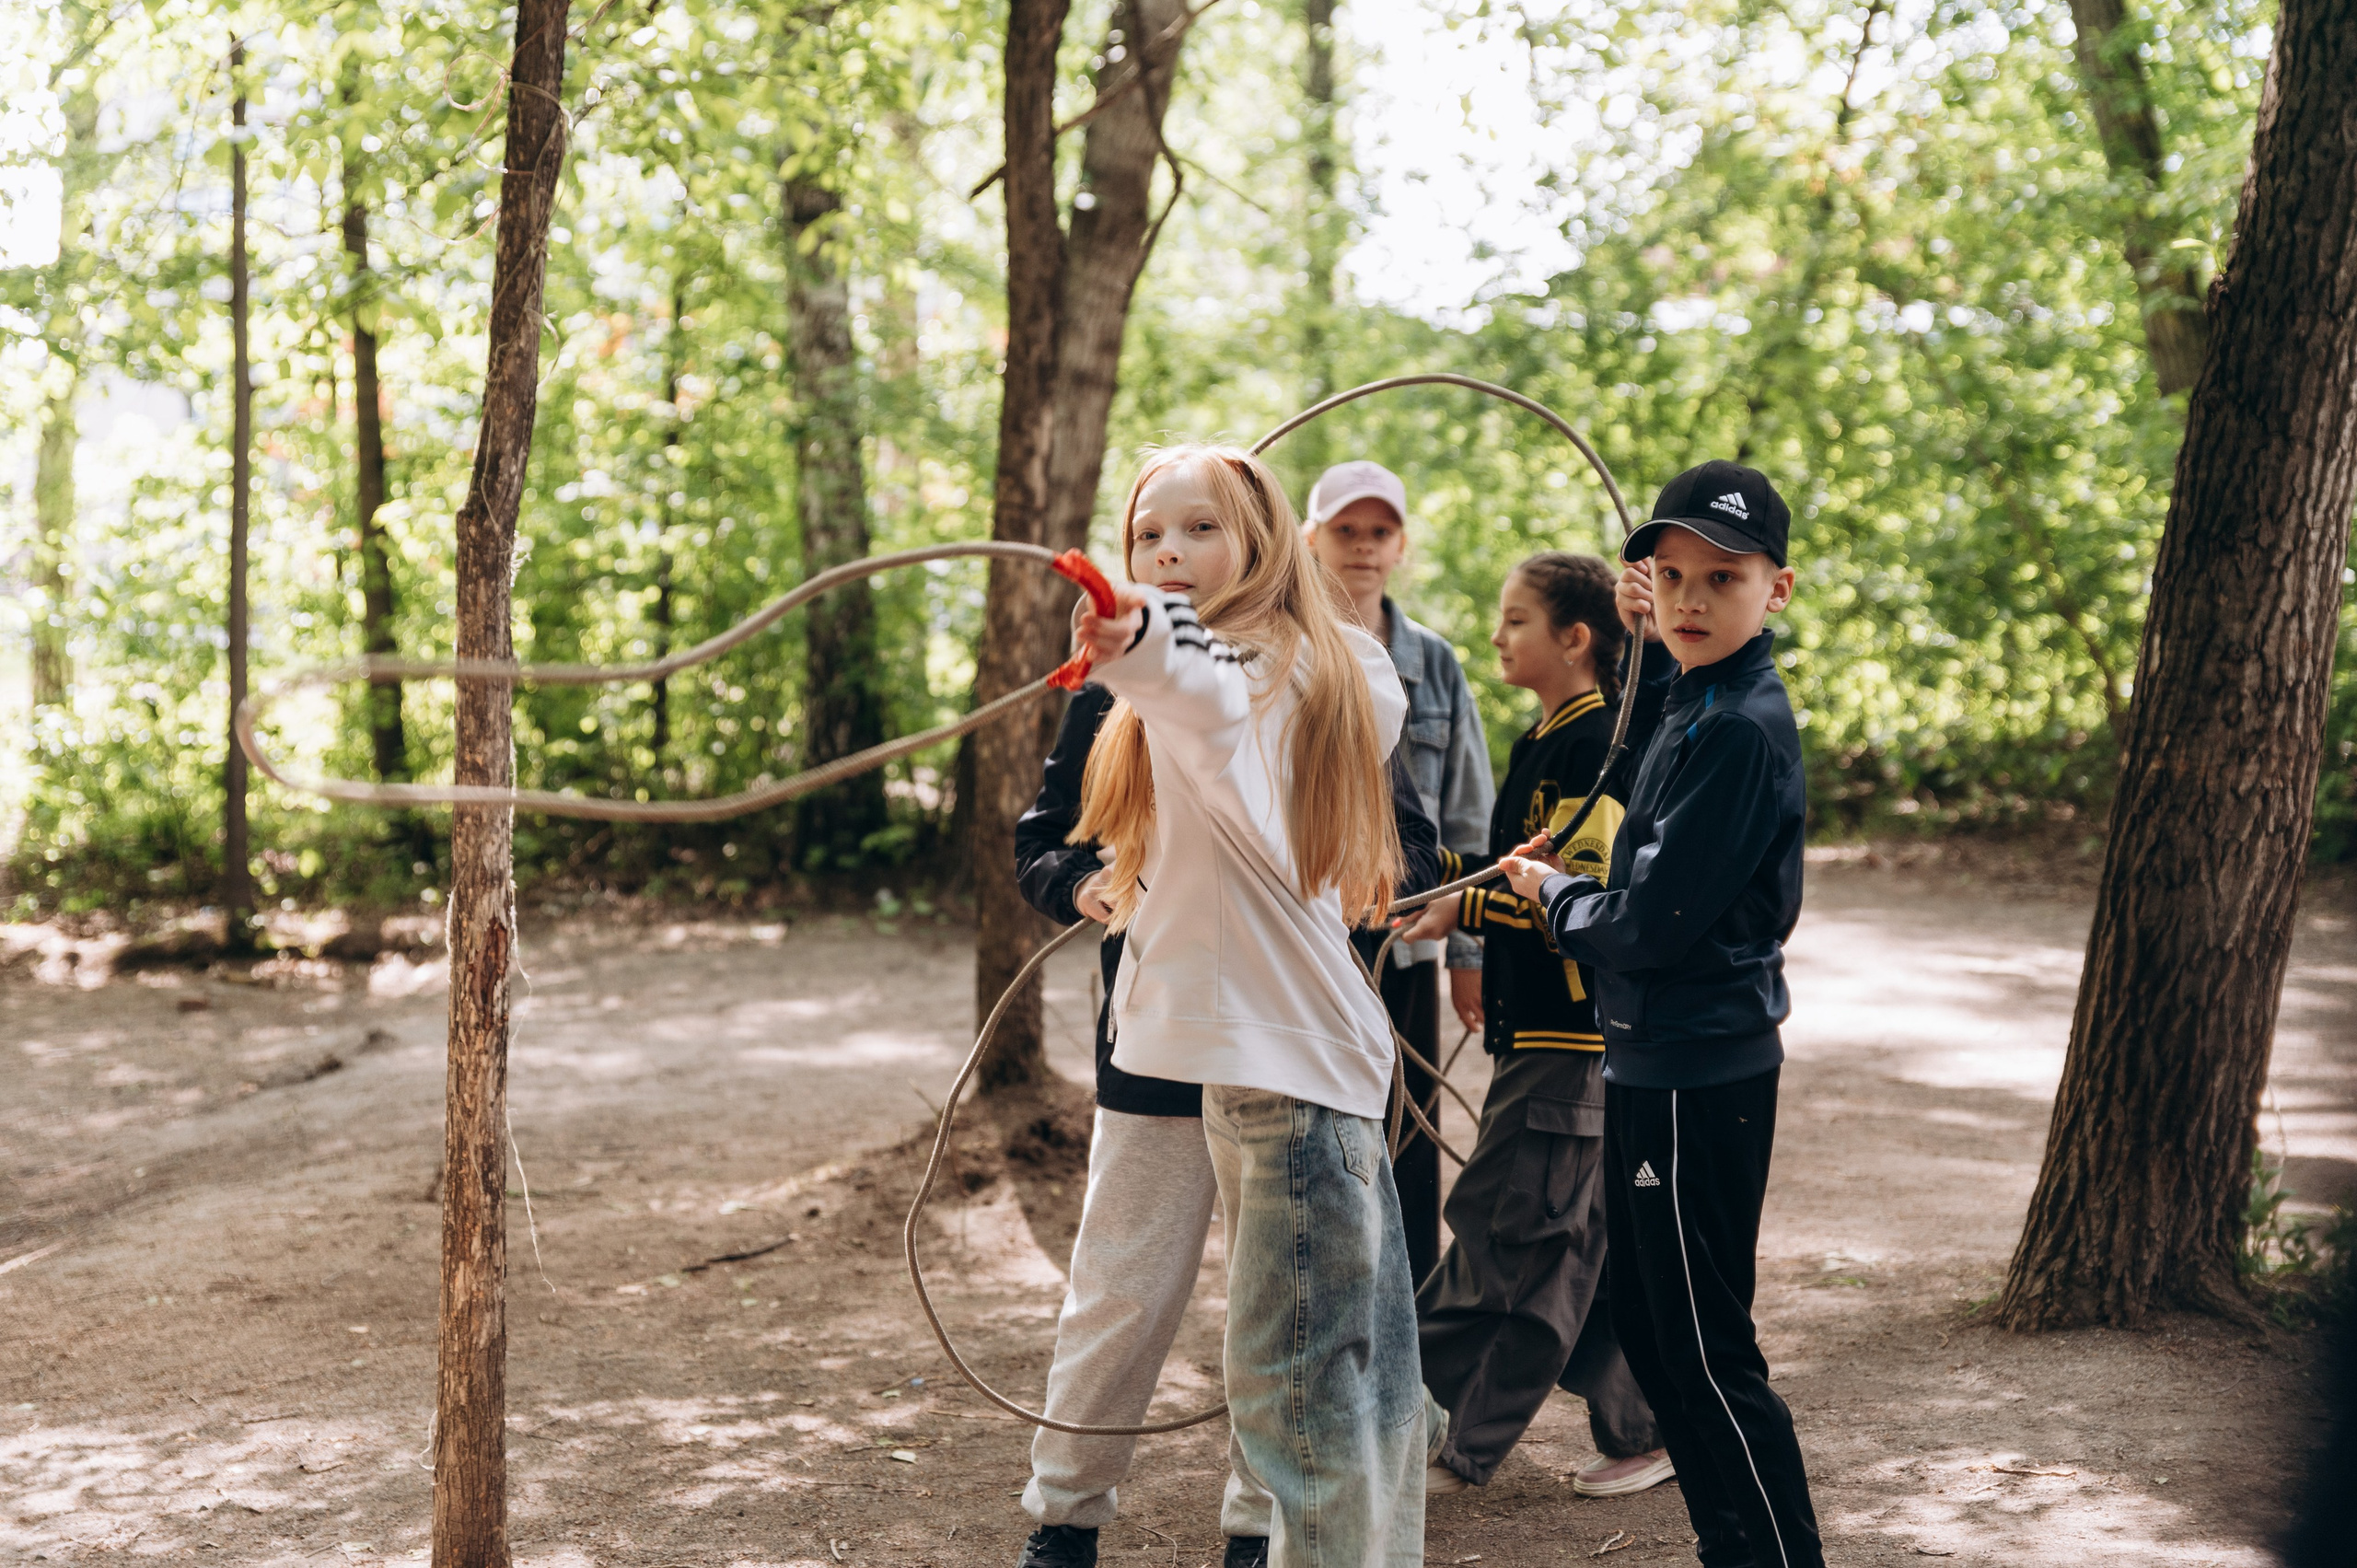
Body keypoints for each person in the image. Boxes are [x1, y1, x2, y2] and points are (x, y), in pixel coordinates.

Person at [1011, 442, 1437, 1568]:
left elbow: (1211, 693)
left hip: (1277, 1059)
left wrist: (1142, 640)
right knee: (1155, 1300)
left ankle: (1258, 1534)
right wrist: (1086, 878)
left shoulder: (1307, 670)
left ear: (1263, 540)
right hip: (1188, 1044)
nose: (1169, 551)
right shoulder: (1156, 679)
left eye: (1201, 528)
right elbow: (1059, 825)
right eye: (1148, 534)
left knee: (1302, 1379)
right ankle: (1066, 1514)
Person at [1495, 459, 1824, 1568]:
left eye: (1721, 578)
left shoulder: (1739, 726)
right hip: (1647, 1060)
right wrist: (1568, 880)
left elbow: (1649, 924)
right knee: (1653, 1326)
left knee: (1702, 1345)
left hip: (1696, 1069)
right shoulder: (1694, 694)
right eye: (1670, 574)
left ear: (1775, 589)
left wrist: (1557, 898)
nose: (1690, 598)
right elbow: (1639, 811)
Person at [1394, 552, 1670, 1499]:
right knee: (1580, 1238)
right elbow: (1510, 868)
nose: (1497, 634)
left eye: (1516, 619)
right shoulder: (1542, 740)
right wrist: (1431, 884)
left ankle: (1436, 1437)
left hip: (1569, 1040)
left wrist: (1463, 908)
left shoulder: (1594, 747)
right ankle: (1647, 1426)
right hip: (1550, 1038)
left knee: (1506, 1231)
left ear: (1575, 638)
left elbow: (1581, 899)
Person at [1303, 460, 1494, 1287]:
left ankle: (1411, 1310)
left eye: (1379, 532)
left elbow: (1469, 813)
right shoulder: (1286, 647)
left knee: (1407, 1127)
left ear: (1401, 546)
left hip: (1406, 937)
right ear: (1310, 540)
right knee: (1316, 1128)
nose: (1363, 546)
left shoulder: (1435, 663)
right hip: (1307, 939)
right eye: (1346, 530)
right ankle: (1329, 1298)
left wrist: (1469, 950)